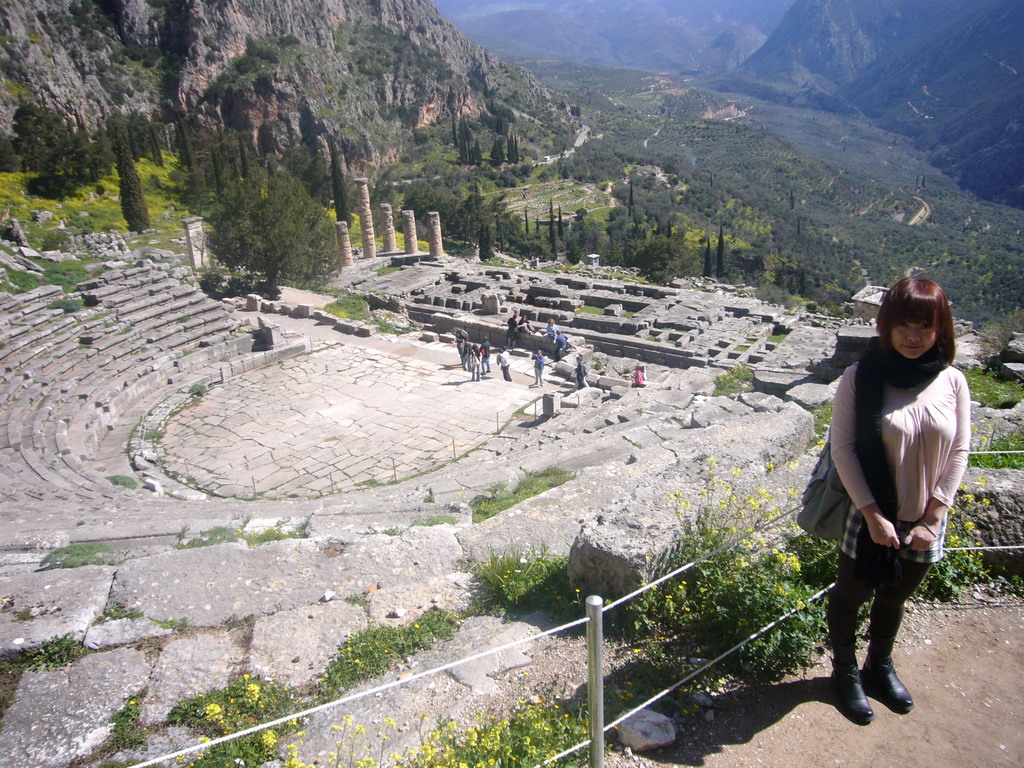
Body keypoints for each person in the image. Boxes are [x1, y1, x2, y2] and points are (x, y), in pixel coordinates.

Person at [827, 277, 970, 725]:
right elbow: (843, 449)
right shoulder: (859, 377)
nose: (913, 337)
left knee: (895, 598)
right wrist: (872, 514)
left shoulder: (953, 381)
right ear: (886, 327)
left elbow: (960, 450)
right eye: (904, 325)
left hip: (927, 517)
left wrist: (934, 516)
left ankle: (880, 666)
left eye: (924, 328)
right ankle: (845, 671)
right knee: (851, 593)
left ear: (939, 331)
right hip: (868, 514)